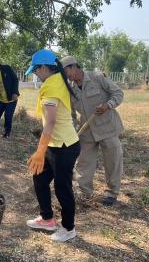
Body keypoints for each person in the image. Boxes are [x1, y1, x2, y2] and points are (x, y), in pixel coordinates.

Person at [25, 49, 81, 242]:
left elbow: (50, 123)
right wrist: (44, 150)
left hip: (65, 146)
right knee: (39, 177)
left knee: (62, 187)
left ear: (43, 67)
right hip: (55, 144)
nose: (35, 74)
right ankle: (47, 218)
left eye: (36, 70)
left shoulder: (52, 86)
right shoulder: (56, 81)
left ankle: (68, 228)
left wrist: (40, 150)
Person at [61, 56, 124, 207]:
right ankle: (85, 193)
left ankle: (112, 193)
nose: (66, 76)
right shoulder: (70, 89)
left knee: (113, 161)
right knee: (84, 162)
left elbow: (118, 93)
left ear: (74, 66)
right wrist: (71, 129)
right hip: (87, 130)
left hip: (107, 126)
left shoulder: (97, 78)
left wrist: (108, 105)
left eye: (66, 72)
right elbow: (71, 114)